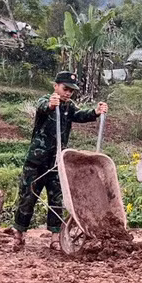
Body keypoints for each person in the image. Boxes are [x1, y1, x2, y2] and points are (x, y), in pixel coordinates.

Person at [11, 71, 107, 251]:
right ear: (56, 86)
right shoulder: (46, 100)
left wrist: (95, 112)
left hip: (57, 162)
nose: (68, 93)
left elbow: (80, 115)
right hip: (37, 162)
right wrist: (50, 105)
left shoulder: (68, 107)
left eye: (71, 90)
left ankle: (55, 237)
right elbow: (41, 107)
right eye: (65, 89)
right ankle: (19, 233)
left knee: (56, 199)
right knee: (28, 197)